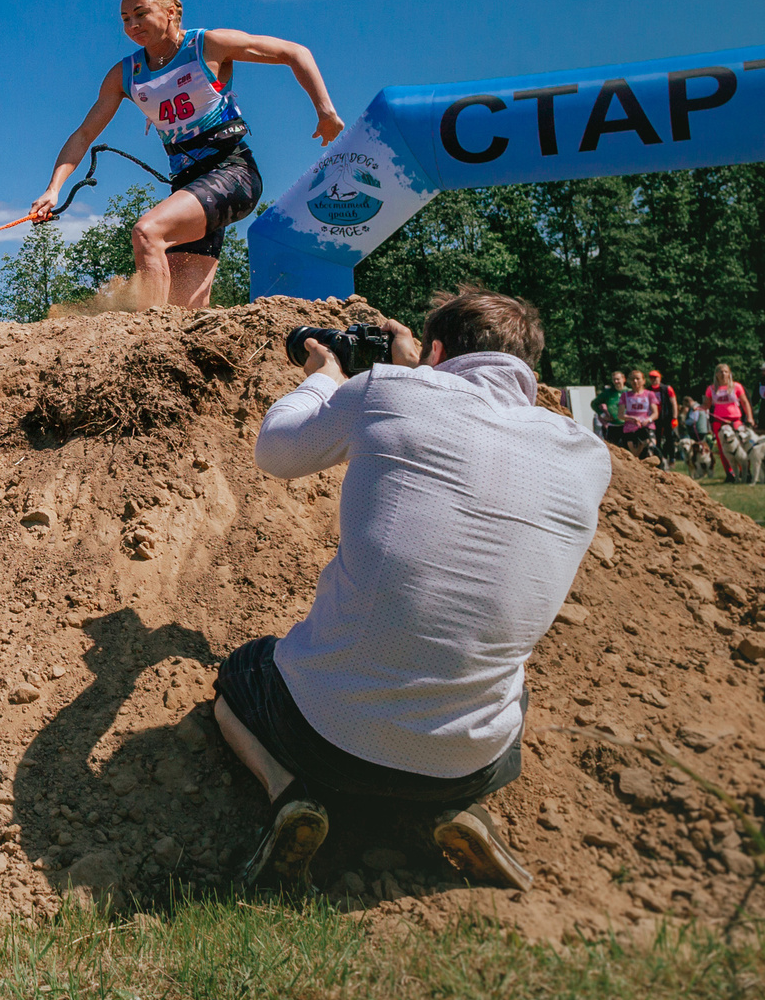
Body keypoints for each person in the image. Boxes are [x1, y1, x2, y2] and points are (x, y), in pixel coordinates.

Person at [224, 287, 611, 893]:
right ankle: (448, 809)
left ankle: (290, 795)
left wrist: (326, 376)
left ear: (435, 349)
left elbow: (277, 450)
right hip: (471, 762)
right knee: (505, 679)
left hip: (321, 740)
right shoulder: (589, 455)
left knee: (239, 675)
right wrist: (420, 375)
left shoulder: (388, 390)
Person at [28, 0, 343, 309]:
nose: (132, 25)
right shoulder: (125, 74)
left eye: (140, 13)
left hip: (233, 172)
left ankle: (148, 339)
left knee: (147, 232)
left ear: (169, 13)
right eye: (124, 19)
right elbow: (82, 136)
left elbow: (294, 52)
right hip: (188, 188)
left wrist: (326, 112)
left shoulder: (207, 45)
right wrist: (53, 189)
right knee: (185, 309)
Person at [704, 362, 753, 480]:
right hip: (719, 421)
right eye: (720, 371)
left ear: (729, 373)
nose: (723, 374)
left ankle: (745, 471)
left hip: (735, 420)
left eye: (725, 371)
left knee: (740, 445)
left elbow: (745, 402)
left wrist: (750, 417)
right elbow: (707, 404)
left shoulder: (736, 386)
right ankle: (729, 473)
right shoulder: (711, 389)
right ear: (716, 374)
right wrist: (699, 408)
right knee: (723, 448)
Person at [647, 369, 682, 467]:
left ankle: (672, 457)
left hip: (667, 417)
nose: (653, 379)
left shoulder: (667, 388)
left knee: (669, 438)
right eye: (651, 377)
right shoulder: (648, 389)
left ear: (659, 378)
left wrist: (675, 417)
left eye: (655, 377)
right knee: (656, 438)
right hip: (655, 418)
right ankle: (659, 458)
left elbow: (674, 403)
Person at [593, 370, 628, 442]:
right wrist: (602, 415)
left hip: (628, 426)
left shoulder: (629, 392)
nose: (616, 381)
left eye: (618, 379)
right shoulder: (608, 393)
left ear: (624, 379)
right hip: (613, 427)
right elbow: (594, 404)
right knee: (613, 450)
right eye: (614, 379)